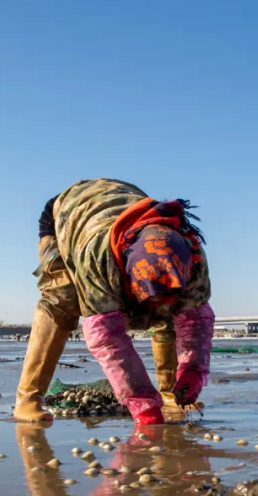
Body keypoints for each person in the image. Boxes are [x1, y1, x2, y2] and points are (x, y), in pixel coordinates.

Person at [14, 179, 215, 425]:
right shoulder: (99, 260)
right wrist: (141, 402)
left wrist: (193, 372)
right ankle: (28, 399)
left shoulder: (192, 256)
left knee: (169, 314)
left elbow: (195, 322)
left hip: (122, 207)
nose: (157, 304)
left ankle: (169, 392)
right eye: (150, 296)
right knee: (62, 299)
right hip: (68, 216)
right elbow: (107, 339)